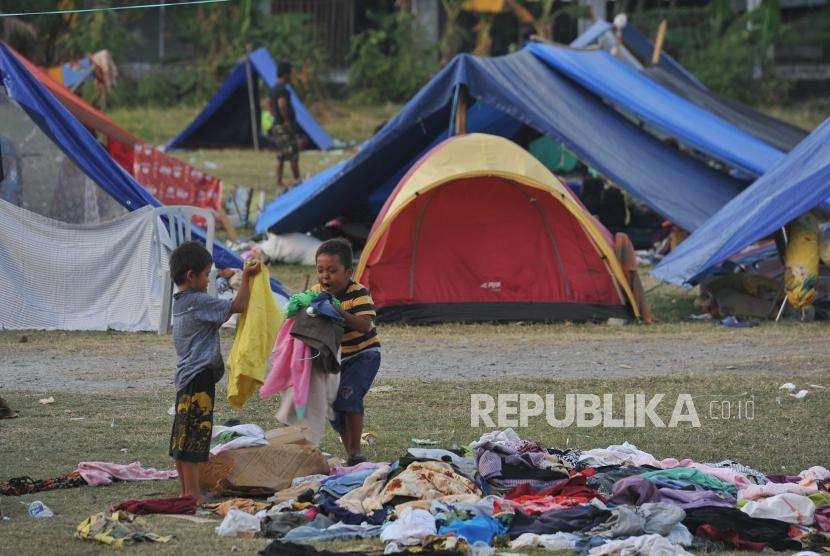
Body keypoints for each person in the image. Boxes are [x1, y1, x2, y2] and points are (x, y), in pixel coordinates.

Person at [167, 241, 260, 501]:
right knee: (195, 440)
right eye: (207, 274)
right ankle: (194, 494)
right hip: (199, 380)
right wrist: (247, 278)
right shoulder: (198, 301)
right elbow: (239, 306)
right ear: (190, 275)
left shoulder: (181, 302)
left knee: (182, 439)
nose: (208, 280)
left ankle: (187, 490)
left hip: (186, 380)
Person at [312, 238, 381, 466]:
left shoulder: (358, 292)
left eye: (332, 271)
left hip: (364, 354)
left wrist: (337, 311)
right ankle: (351, 451)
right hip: (335, 358)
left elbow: (364, 325)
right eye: (321, 270)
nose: (325, 276)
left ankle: (355, 452)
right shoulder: (315, 293)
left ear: (348, 272)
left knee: (349, 397)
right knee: (332, 406)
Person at [270, 61, 300, 189]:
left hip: (277, 125)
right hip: (284, 126)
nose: (292, 77)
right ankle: (297, 179)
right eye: (291, 73)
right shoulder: (283, 90)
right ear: (285, 74)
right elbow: (282, 105)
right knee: (293, 153)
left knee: (281, 155)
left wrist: (275, 117)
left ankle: (279, 182)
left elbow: (270, 105)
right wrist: (286, 120)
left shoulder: (273, 89)